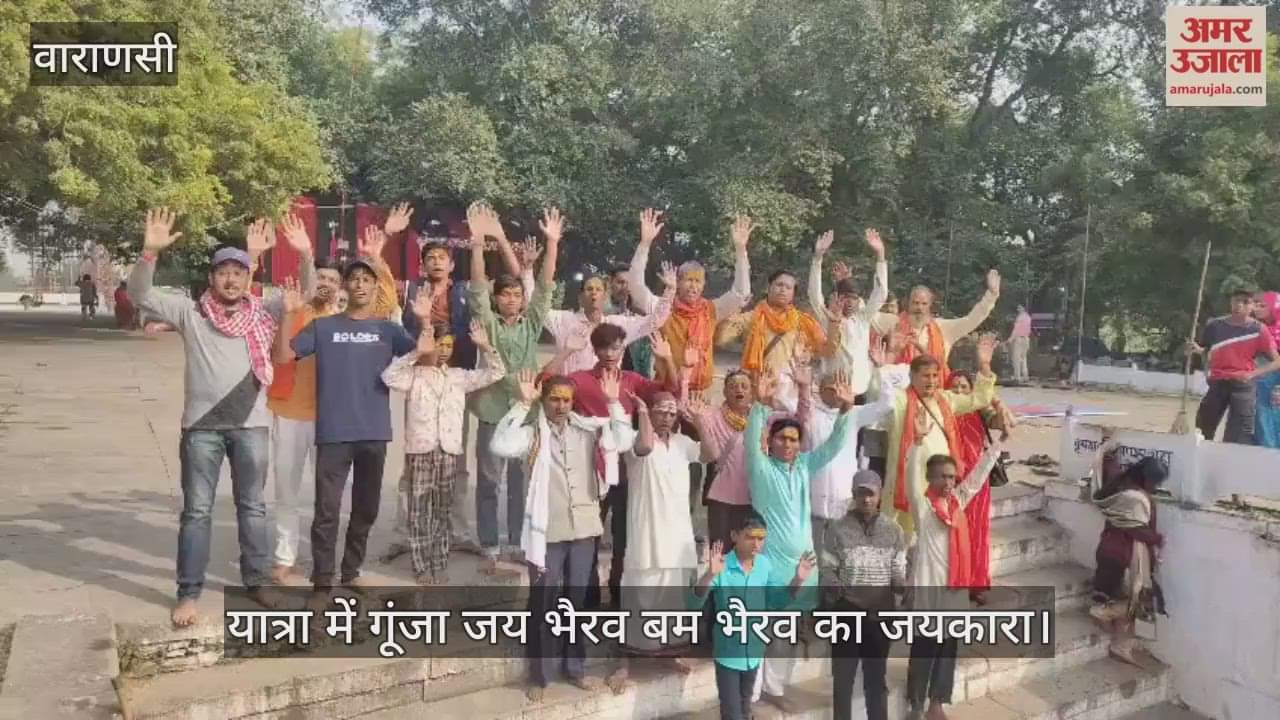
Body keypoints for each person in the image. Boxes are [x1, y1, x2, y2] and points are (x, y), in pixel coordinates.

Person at [128, 209, 313, 626]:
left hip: (252, 427)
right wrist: (149, 253)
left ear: (249, 279)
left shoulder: (264, 312)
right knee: (196, 511)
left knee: (252, 508)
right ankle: (189, 592)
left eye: (238, 272)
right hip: (201, 430)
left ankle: (256, 582)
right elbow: (139, 295)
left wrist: (303, 254)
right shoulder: (190, 314)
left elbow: (308, 290)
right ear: (211, 278)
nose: (231, 279)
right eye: (223, 272)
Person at [274, 255, 429, 599]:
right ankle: (323, 580)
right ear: (345, 286)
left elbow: (425, 355)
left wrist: (425, 319)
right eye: (354, 279)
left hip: (374, 432)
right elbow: (285, 356)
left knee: (366, 509)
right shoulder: (324, 327)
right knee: (326, 512)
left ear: (376, 287)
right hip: (333, 433)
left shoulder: (388, 330)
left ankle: (351, 571)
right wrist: (287, 313)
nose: (360, 284)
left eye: (366, 279)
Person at [489, 370, 637, 701]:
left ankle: (575, 668)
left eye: (566, 399)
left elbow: (624, 439)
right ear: (544, 400)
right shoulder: (533, 434)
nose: (560, 405)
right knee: (542, 601)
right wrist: (521, 405)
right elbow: (499, 443)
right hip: (547, 533)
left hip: (584, 528)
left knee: (576, 603)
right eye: (554, 398)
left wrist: (614, 402)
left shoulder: (588, 431)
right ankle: (539, 675)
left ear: (573, 403)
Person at [744, 370, 860, 713]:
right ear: (772, 442)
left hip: (803, 566)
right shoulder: (761, 469)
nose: (788, 444)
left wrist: (847, 409)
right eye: (782, 439)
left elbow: (836, 445)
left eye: (794, 439)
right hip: (770, 564)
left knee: (788, 631)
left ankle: (775, 688)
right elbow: (752, 442)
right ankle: (748, 695)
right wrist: (761, 406)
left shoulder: (806, 465)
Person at [466, 203, 561, 574]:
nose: (510, 299)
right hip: (491, 409)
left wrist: (552, 244)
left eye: (515, 294)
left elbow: (546, 289)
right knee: (489, 481)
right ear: (497, 299)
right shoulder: (486, 323)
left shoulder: (531, 323)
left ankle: (521, 543)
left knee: (523, 480)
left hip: (526, 411)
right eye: (503, 294)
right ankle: (489, 546)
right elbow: (476, 288)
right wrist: (477, 245)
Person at [607, 391, 720, 692]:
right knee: (638, 595)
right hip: (646, 529)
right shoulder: (633, 438)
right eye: (661, 412)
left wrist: (699, 420)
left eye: (672, 413)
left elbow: (711, 454)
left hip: (678, 532)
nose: (667, 418)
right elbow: (644, 447)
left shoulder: (683, 444)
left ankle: (671, 653)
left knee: (674, 598)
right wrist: (642, 411)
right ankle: (625, 663)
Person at [381, 320, 505, 584]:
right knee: (418, 510)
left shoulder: (459, 377)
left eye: (449, 345)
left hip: (449, 452)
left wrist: (485, 346)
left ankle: (439, 562)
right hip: (420, 450)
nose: (445, 350)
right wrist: (416, 352)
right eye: (440, 345)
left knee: (442, 510)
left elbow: (496, 373)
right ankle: (420, 564)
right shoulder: (413, 375)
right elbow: (388, 376)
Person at [565, 323, 677, 610]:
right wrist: (566, 351)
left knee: (624, 537)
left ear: (623, 348)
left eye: (615, 347)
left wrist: (666, 360)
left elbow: (669, 390)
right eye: (603, 347)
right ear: (594, 349)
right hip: (590, 469)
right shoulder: (580, 380)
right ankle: (586, 599)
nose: (610, 353)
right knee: (588, 535)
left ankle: (618, 594)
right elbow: (546, 384)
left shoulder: (631, 380)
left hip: (626, 471)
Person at [905, 430, 1008, 720]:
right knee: (924, 647)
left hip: (954, 591)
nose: (949, 482)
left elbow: (976, 479)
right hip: (928, 592)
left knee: (947, 647)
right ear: (930, 479)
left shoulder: (957, 504)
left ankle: (937, 703)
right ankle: (915, 704)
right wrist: (916, 445)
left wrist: (997, 447)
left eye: (951, 477)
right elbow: (911, 481)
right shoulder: (923, 509)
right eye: (942, 477)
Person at [265, 216, 345, 585]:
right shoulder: (294, 309)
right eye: (321, 279)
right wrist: (305, 254)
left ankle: (323, 562)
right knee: (287, 488)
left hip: (329, 418)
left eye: (332, 280)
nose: (325, 285)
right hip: (290, 413)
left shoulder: (345, 320)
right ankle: (285, 557)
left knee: (327, 497)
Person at [691, 514, 815, 720]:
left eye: (761, 538)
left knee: (746, 708)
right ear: (735, 536)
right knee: (732, 714)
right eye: (750, 537)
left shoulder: (764, 565)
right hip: (728, 654)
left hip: (754, 653)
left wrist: (797, 579)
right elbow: (693, 604)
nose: (756, 544)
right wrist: (709, 576)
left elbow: (778, 601)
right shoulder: (721, 566)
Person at [881, 334, 999, 541]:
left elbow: (979, 398)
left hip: (937, 484)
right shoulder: (899, 401)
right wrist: (888, 359)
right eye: (926, 376)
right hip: (907, 482)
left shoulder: (945, 399)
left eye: (936, 376)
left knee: (934, 541)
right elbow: (879, 395)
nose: (932, 381)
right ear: (912, 376)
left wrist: (985, 365)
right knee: (901, 540)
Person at [627, 209, 753, 393]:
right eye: (688, 280)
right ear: (677, 282)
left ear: (703, 285)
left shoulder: (710, 309)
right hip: (666, 390)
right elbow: (636, 287)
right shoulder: (663, 308)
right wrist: (645, 244)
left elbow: (741, 293)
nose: (693, 286)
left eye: (698, 281)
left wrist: (741, 251)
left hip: (701, 393)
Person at [533, 214, 676, 375]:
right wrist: (550, 246)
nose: (594, 293)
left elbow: (654, 322)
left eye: (598, 289)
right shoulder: (563, 320)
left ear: (606, 294)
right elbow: (536, 306)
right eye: (589, 289)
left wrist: (645, 244)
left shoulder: (617, 325)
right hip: (570, 396)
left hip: (606, 394)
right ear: (580, 297)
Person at [821, 470, 906, 720]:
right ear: (853, 494)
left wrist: (903, 586)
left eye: (871, 494)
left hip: (880, 616)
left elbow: (897, 570)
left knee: (876, 680)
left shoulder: (894, 531)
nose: (866, 499)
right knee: (843, 681)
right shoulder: (836, 529)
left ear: (879, 495)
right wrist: (835, 588)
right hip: (846, 614)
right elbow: (827, 568)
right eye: (861, 493)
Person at [1088, 430, 1169, 667]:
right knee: (1135, 600)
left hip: (1110, 550)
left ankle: (1120, 644)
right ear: (1147, 478)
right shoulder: (1135, 497)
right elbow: (1135, 529)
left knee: (1131, 599)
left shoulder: (1120, 482)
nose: (1156, 486)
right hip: (1124, 556)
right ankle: (1104, 614)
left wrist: (1109, 450)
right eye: (1155, 482)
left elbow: (1109, 468)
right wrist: (1157, 538)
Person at [718, 261, 834, 412]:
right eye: (779, 285)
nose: (783, 290)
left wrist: (834, 325)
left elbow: (827, 350)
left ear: (793, 293)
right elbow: (721, 338)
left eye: (788, 287)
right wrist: (735, 308)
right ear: (769, 287)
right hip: (757, 392)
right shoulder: (751, 318)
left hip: (790, 397)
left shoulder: (802, 322)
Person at [806, 363, 894, 559]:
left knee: (842, 558)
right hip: (813, 501)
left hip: (844, 499)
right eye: (831, 388)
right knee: (812, 559)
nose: (837, 392)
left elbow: (887, 404)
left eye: (842, 386)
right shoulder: (809, 413)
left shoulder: (854, 413)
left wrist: (882, 369)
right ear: (820, 389)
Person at [942, 370, 1006, 604]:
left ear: (971, 391)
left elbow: (998, 422)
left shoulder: (980, 410)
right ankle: (954, 582)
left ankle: (976, 584)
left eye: (963, 387)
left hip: (978, 482)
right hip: (951, 483)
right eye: (954, 387)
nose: (958, 391)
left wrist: (1000, 406)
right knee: (953, 536)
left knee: (976, 534)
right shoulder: (941, 412)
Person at [871, 269, 1001, 382]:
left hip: (935, 391)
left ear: (930, 306)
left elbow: (971, 320)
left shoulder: (943, 328)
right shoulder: (893, 323)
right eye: (915, 303)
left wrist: (992, 295)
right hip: (900, 393)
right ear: (907, 304)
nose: (919, 308)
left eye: (924, 304)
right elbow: (866, 315)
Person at [1190, 288, 1280, 444]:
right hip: (1218, 383)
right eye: (1236, 300)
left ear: (1252, 307)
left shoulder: (1259, 330)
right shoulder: (1214, 326)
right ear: (1230, 303)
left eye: (1245, 302)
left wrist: (1253, 374)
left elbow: (1277, 361)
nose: (1240, 305)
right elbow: (1207, 350)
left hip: (1243, 386)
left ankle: (1231, 464)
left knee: (1238, 434)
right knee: (1204, 426)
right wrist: (1196, 350)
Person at [808, 228, 889, 397]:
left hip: (859, 389)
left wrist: (880, 255)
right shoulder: (827, 318)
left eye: (854, 297)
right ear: (837, 297)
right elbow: (814, 295)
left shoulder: (862, 319)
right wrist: (817, 258)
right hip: (831, 390)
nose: (850, 302)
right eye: (846, 297)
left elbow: (880, 294)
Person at [1253, 291, 1280, 448]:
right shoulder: (1256, 329)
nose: (1257, 308)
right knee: (1261, 416)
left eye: (1262, 305)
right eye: (1255, 305)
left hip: (1274, 387)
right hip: (1260, 388)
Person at [1007, 305, 1032, 383]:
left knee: (1016, 359)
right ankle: (1025, 376)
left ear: (1023, 308)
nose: (1018, 309)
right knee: (1023, 358)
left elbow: (1016, 329)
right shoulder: (1028, 317)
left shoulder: (1020, 317)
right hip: (1026, 339)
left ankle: (1017, 377)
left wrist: (1010, 339)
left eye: (1019, 307)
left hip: (1019, 339)